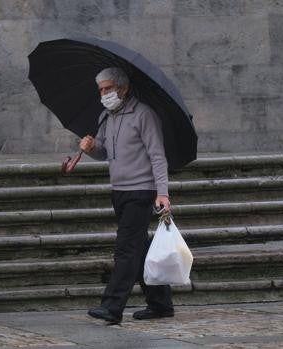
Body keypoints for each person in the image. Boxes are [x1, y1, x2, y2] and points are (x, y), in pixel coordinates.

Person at [80, 67, 174, 324]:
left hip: (141, 191)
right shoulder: (105, 117)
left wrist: (162, 193)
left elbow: (157, 156)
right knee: (139, 249)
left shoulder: (143, 114)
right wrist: (90, 148)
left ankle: (112, 307)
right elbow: (104, 153)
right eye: (100, 90)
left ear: (123, 88)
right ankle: (161, 303)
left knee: (126, 250)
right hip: (119, 192)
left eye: (108, 89)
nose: (104, 94)